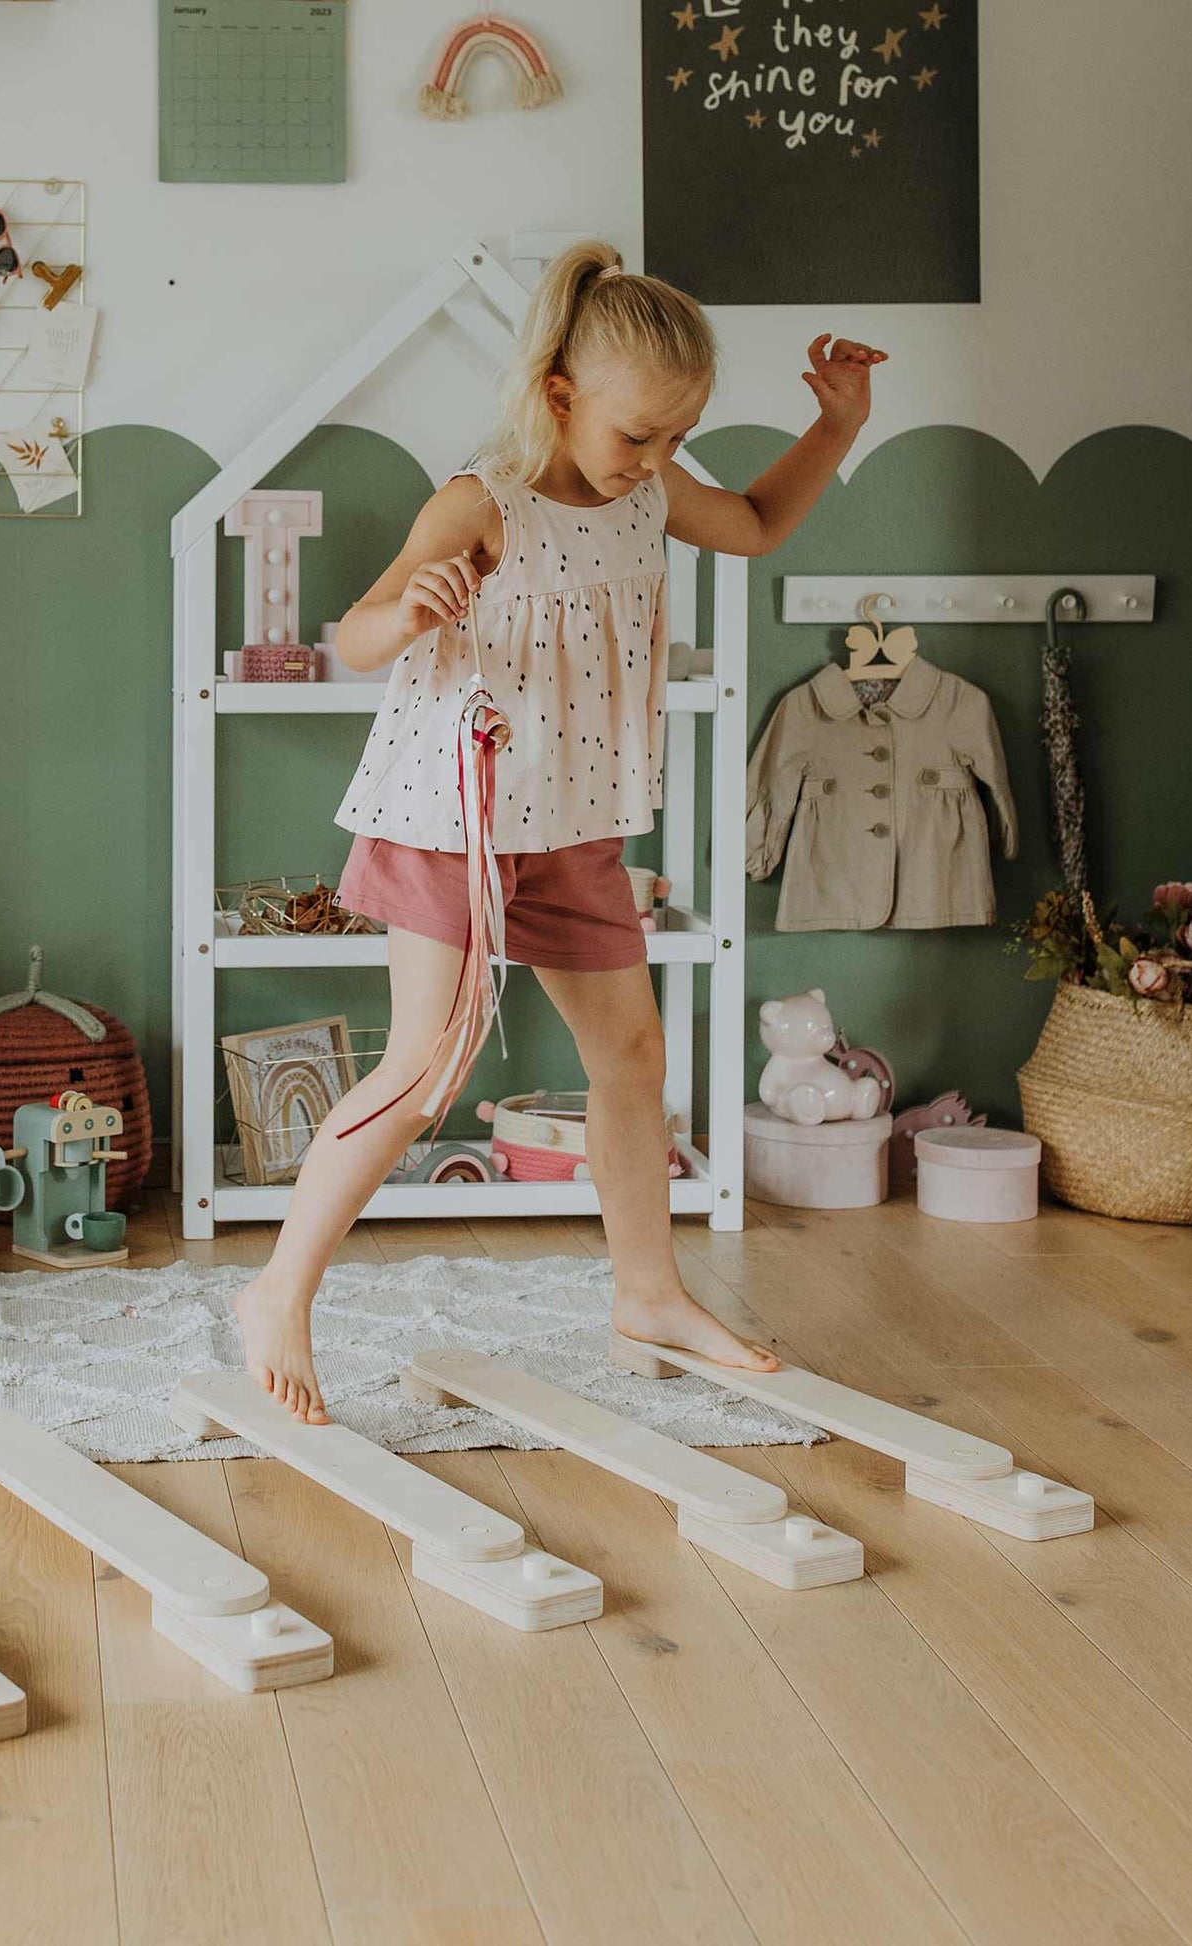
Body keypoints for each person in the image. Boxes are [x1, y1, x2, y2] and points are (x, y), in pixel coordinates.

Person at [232, 239, 888, 1424]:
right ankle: (278, 1289)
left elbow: (747, 524)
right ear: (557, 394)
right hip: (456, 819)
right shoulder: (481, 501)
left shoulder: (646, 492)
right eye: (638, 432)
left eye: (676, 436)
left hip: (573, 820)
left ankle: (646, 1294)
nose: (658, 458)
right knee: (423, 1070)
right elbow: (357, 634)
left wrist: (834, 427)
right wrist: (409, 606)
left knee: (629, 1059)